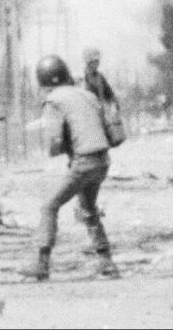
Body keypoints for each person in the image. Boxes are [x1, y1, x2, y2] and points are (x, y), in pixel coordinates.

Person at [20, 55, 119, 281]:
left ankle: (41, 263)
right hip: (103, 160)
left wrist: (56, 149)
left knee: (49, 206)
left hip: (83, 162)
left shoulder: (54, 100)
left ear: (43, 82)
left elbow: (55, 140)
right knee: (88, 209)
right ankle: (107, 261)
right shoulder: (88, 95)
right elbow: (105, 129)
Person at [80, 47, 119, 118]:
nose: (98, 63)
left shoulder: (100, 77)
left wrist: (114, 104)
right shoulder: (80, 77)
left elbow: (109, 93)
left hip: (99, 113)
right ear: (89, 62)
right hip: (84, 114)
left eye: (98, 61)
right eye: (95, 61)